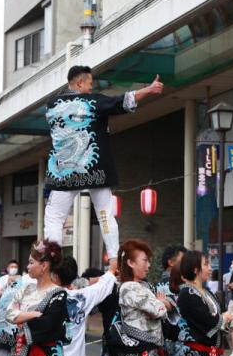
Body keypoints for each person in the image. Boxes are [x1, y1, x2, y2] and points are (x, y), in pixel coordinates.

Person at [42, 65, 164, 259]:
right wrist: (148, 90)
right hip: (94, 168)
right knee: (105, 215)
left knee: (54, 217)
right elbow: (121, 102)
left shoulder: (51, 106)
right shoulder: (92, 102)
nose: (91, 88)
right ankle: (115, 260)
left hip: (63, 171)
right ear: (80, 82)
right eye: (89, 84)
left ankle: (51, 261)